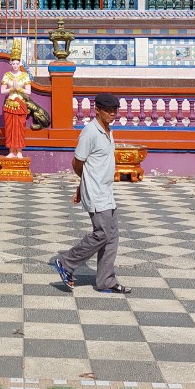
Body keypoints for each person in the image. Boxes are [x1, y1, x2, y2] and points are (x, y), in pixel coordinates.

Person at [52, 93, 129, 294]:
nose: (113, 114)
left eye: (115, 111)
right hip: (95, 191)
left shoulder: (107, 130)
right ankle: (66, 263)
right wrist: (83, 184)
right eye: (108, 111)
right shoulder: (90, 132)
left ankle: (106, 280)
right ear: (97, 110)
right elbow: (77, 162)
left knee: (112, 236)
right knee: (102, 233)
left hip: (106, 190)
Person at [0, 40, 31, 159]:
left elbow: (29, 92)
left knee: (20, 128)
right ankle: (11, 150)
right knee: (9, 128)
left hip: (20, 104)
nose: (15, 65)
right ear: (10, 63)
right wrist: (11, 88)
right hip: (9, 104)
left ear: (20, 64)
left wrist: (19, 88)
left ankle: (19, 151)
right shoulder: (7, 75)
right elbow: (2, 91)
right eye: (13, 63)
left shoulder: (25, 76)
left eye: (17, 63)